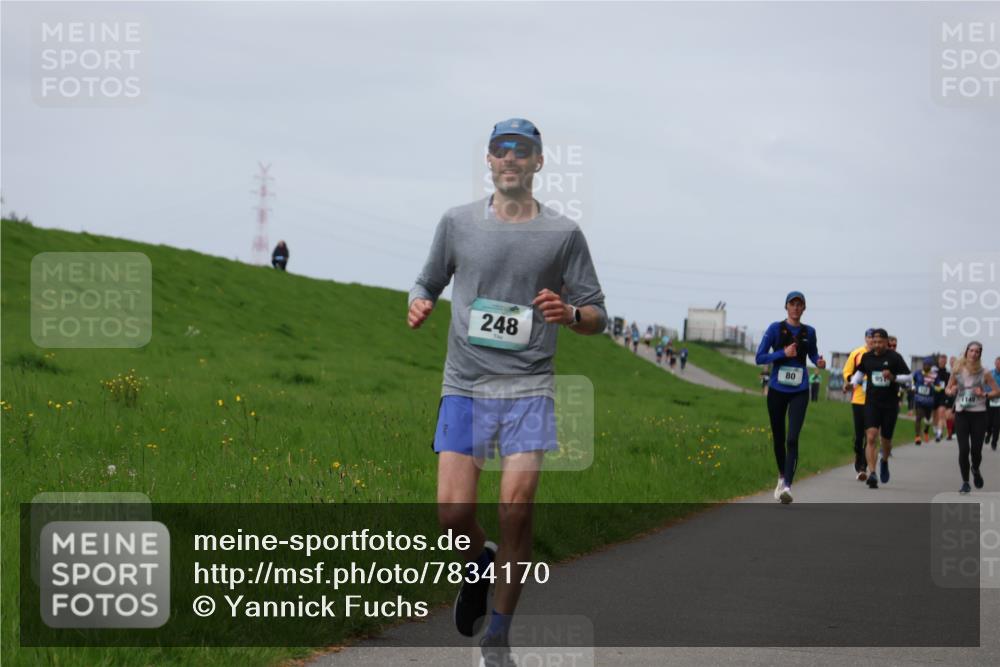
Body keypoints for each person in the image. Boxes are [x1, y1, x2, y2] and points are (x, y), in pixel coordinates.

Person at [407, 118, 607, 667]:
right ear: (490, 162)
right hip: (465, 385)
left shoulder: (563, 235)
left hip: (528, 387)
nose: (511, 158)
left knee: (516, 508)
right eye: (501, 150)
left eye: (523, 151)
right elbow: (427, 281)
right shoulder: (457, 223)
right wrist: (419, 302)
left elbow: (598, 316)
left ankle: (498, 636)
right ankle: (478, 561)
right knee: (452, 512)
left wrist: (569, 314)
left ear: (539, 163)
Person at [754, 291, 825, 504]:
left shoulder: (809, 332)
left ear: (804, 309)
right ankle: (781, 475)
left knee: (792, 438)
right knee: (778, 437)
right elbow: (759, 357)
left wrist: (818, 361)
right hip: (776, 390)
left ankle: (787, 486)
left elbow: (813, 353)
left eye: (799, 305)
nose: (795, 308)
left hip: (799, 390)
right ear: (786, 307)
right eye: (792, 304)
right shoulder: (775, 329)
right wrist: (782, 354)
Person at [850, 329, 911, 489]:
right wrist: (851, 384)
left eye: (880, 342)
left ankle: (884, 461)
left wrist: (893, 377)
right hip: (871, 403)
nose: (876, 344)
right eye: (874, 341)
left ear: (886, 342)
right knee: (870, 436)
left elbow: (908, 377)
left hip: (890, 404)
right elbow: (859, 372)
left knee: (886, 440)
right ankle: (872, 473)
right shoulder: (867, 357)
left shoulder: (894, 358)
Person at [945, 342, 1000, 493]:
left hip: (979, 415)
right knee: (964, 450)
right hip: (962, 414)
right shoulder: (957, 370)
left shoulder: (985, 372)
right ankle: (965, 482)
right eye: (972, 351)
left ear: (980, 355)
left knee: (976, 451)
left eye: (977, 352)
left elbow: (997, 391)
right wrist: (952, 390)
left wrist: (985, 394)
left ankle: (975, 469)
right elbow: (948, 389)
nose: (974, 354)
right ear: (966, 352)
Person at [842, 329, 875, 480]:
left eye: (873, 338)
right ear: (865, 338)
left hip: (874, 401)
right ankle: (858, 453)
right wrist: (853, 380)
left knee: (870, 435)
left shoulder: (880, 356)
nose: (871, 340)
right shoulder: (857, 353)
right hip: (858, 398)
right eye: (869, 337)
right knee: (859, 435)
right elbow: (847, 371)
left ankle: (863, 467)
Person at [912, 357, 937, 446]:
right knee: (918, 417)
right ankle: (917, 436)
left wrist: (934, 387)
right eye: (925, 364)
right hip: (919, 399)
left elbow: (939, 386)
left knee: (928, 419)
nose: (926, 366)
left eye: (928, 365)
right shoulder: (918, 373)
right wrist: (913, 387)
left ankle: (926, 431)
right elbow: (913, 381)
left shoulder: (934, 375)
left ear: (930, 366)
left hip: (929, 401)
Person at [933, 353, 954, 441]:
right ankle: (936, 429)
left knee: (941, 413)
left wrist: (950, 391)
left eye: (944, 360)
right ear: (938, 361)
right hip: (934, 396)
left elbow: (951, 384)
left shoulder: (948, 373)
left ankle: (939, 433)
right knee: (934, 416)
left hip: (943, 396)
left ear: (946, 362)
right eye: (941, 360)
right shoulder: (934, 371)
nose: (942, 361)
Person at [989, 356, 1000, 451]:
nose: (999, 365)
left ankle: (994, 442)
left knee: (997, 424)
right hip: (990, 399)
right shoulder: (990, 374)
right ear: (995, 364)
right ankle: (988, 434)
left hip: (999, 402)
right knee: (988, 422)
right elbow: (986, 386)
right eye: (997, 363)